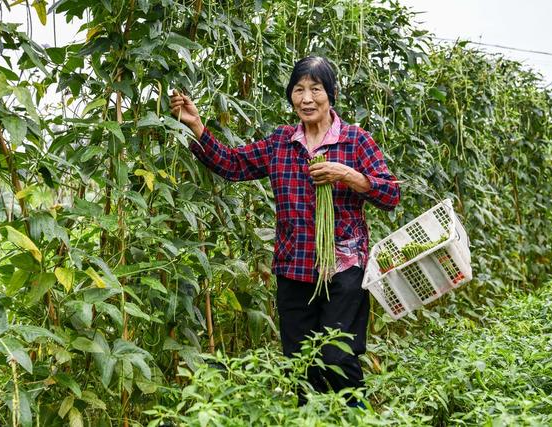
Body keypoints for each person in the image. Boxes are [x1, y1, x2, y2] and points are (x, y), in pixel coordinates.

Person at [170, 56, 400, 406]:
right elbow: (234, 164)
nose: (307, 99)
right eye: (299, 90)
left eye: (316, 90)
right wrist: (197, 127)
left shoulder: (355, 141)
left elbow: (390, 194)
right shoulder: (282, 142)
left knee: (338, 359)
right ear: (291, 96)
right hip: (294, 268)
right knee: (301, 366)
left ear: (331, 94)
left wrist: (347, 175)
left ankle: (356, 418)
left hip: (344, 271)